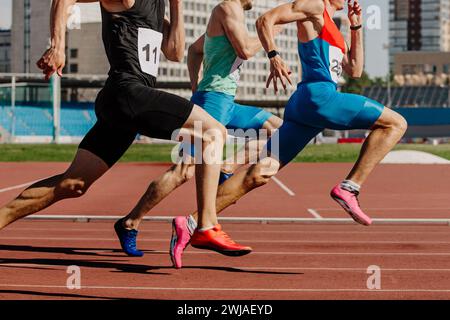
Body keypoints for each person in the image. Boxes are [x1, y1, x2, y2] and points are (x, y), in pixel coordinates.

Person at [0, 0, 248, 255]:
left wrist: (177, 5)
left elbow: (174, 52)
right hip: (127, 92)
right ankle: (206, 226)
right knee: (213, 132)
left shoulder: (157, 6)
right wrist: (58, 46)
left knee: (73, 184)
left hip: (125, 104)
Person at [171, 0, 408, 266]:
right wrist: (274, 56)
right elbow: (265, 20)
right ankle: (349, 187)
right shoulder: (315, 6)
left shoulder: (335, 26)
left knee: (259, 174)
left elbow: (354, 69)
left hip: (306, 108)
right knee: (396, 123)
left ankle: (192, 223)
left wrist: (356, 27)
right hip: (320, 97)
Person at [114, 0, 283, 269]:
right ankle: (130, 222)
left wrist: (195, 88)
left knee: (278, 130)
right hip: (214, 101)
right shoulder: (227, 8)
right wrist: (275, 25)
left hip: (225, 102)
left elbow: (195, 50)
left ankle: (228, 165)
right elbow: (246, 50)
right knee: (183, 171)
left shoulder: (233, 15)